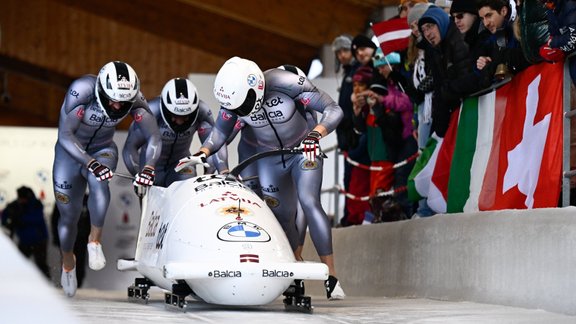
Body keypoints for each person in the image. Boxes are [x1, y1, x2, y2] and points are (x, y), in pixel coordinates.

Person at [176, 56, 346, 300]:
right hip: (269, 158)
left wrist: (316, 135)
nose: (240, 112)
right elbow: (220, 134)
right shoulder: (233, 103)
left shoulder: (286, 82)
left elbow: (333, 109)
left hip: (302, 150)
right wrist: (202, 153)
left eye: (243, 105)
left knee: (309, 202)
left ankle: (331, 274)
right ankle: (293, 269)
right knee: (281, 216)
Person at [52, 61, 161, 297]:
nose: (117, 105)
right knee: (69, 218)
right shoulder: (81, 90)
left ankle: (94, 242)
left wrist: (150, 166)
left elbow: (154, 137)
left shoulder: (135, 99)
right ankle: (68, 262)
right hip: (69, 153)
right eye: (112, 99)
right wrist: (89, 162)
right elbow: (65, 134)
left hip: (102, 148)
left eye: (124, 103)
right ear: (101, 89)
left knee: (99, 181)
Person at [123, 77, 228, 188]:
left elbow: (214, 142)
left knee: (187, 188)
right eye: (175, 115)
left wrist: (219, 171)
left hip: (182, 165)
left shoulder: (202, 112)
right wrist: (138, 174)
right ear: (165, 108)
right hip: (151, 168)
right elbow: (130, 146)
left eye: (185, 116)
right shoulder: (151, 111)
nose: (179, 121)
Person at [418, 5, 473, 137]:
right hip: (459, 109)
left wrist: (446, 92)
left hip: (471, 107)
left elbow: (467, 79)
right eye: (424, 30)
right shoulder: (436, 49)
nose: (427, 33)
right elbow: (439, 85)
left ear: (441, 22)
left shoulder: (458, 40)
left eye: (430, 26)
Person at [476, 0, 532, 84]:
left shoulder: (522, 23)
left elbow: (527, 56)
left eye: (489, 16)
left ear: (503, 11)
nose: (485, 23)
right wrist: (485, 65)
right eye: (482, 19)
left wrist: (497, 61)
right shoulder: (490, 36)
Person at [1, 186, 50, 279]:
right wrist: (7, 222)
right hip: (24, 241)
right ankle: (19, 282)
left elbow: (37, 219)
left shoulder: (36, 204)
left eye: (22, 198)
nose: (21, 200)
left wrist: (20, 218)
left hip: (39, 240)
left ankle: (47, 283)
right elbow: (5, 214)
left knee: (41, 264)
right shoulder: (16, 205)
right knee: (20, 264)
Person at [51, 193, 90, 288]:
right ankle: (67, 284)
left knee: (80, 262)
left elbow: (92, 220)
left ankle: (78, 285)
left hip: (81, 237)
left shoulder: (87, 199)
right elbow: (55, 219)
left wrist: (90, 237)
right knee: (67, 262)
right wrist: (56, 237)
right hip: (67, 238)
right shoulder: (62, 198)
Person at [538, 0, 576, 86]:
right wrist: (552, 48)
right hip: (572, 56)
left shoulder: (570, 4)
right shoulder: (551, 11)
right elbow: (553, 34)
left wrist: (554, 43)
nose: (545, 4)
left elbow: (573, 39)